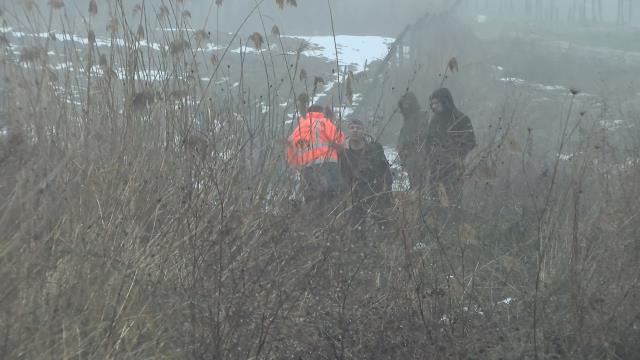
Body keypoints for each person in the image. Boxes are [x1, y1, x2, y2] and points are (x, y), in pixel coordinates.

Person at [424, 88, 476, 214]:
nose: (434, 106)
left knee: (454, 203)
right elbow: (428, 143)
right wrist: (429, 158)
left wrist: (453, 153)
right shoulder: (434, 121)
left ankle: (454, 229)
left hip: (453, 168)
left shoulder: (461, 119)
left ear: (445, 101)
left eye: (437, 103)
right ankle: (439, 229)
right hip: (435, 169)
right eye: (432, 104)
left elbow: (470, 142)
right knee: (435, 203)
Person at [339, 119, 393, 239]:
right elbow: (343, 173)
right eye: (352, 127)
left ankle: (387, 246)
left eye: (358, 128)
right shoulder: (343, 152)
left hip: (375, 190)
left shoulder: (374, 147)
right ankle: (359, 250)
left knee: (383, 221)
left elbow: (385, 169)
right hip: (355, 193)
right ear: (349, 130)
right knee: (356, 225)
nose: (355, 130)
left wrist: (386, 188)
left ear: (363, 130)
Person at [287, 105, 345, 212]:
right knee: (333, 198)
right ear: (321, 112)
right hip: (328, 165)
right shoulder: (323, 122)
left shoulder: (297, 130)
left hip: (307, 168)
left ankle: (316, 223)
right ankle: (333, 222)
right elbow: (339, 141)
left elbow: (292, 158)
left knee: (313, 198)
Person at [397, 91, 428, 190]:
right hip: (410, 161)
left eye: (407, 104)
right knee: (414, 187)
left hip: (420, 160)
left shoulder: (421, 116)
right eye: (404, 105)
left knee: (421, 188)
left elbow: (421, 137)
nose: (405, 107)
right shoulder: (407, 120)